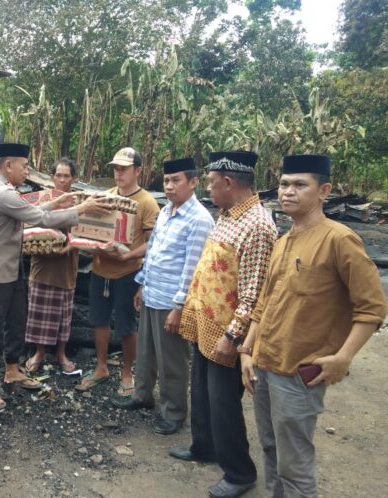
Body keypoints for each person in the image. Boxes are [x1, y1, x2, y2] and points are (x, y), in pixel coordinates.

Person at [239, 154, 387, 498]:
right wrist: (247, 349)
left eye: (300, 185)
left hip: (299, 371)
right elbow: (264, 301)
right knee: (271, 448)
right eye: (284, 184)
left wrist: (344, 357)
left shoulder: (339, 239)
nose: (289, 192)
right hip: (264, 364)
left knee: (294, 465)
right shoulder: (283, 240)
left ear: (324, 191)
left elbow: (372, 307)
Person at [168, 151, 277, 498]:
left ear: (229, 183)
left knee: (224, 403)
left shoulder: (258, 226)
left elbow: (253, 291)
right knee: (201, 393)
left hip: (227, 333)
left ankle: (239, 472)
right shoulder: (227, 215)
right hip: (206, 324)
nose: (209, 190)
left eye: (212, 183)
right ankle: (204, 446)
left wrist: (233, 337)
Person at [0, 142, 109, 410]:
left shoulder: (7, 190)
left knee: (16, 323)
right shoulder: (0, 193)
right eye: (24, 165)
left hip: (9, 271)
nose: (27, 171)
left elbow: (29, 212)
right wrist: (82, 209)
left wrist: (55, 201)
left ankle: (12, 370)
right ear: (8, 165)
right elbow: (38, 219)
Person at [112, 157, 214, 436]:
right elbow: (154, 249)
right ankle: (142, 395)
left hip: (172, 300)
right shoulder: (167, 210)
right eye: (166, 181)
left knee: (172, 360)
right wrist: (142, 284)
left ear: (193, 183)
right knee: (145, 352)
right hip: (152, 292)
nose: (169, 186)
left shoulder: (199, 219)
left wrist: (180, 307)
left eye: (176, 181)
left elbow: (192, 269)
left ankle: (174, 412)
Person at [75, 147, 160, 396]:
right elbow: (92, 229)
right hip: (101, 270)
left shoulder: (147, 202)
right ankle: (101, 367)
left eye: (124, 168)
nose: (119, 173)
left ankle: (127, 372)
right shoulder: (106, 196)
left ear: (138, 171)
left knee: (125, 325)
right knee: (99, 321)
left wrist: (129, 255)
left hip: (128, 273)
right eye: (116, 168)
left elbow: (152, 242)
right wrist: (90, 247)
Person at [25, 158, 81, 374]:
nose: (62, 179)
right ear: (52, 177)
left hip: (66, 264)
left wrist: (72, 244)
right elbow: (30, 222)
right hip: (42, 264)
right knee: (39, 312)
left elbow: (86, 230)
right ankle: (39, 352)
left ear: (73, 179)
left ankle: (61, 353)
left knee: (63, 314)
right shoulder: (43, 200)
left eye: (67, 176)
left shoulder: (80, 202)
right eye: (58, 175)